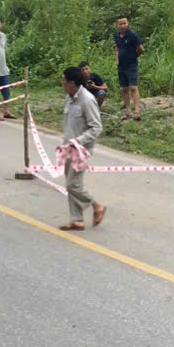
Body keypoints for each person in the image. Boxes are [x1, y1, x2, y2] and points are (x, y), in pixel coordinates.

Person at [57, 66, 105, 232]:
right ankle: (76, 220)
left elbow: (96, 127)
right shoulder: (69, 98)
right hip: (68, 147)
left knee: (72, 184)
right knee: (72, 182)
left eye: (63, 79)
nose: (61, 82)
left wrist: (78, 141)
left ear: (71, 83)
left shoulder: (87, 100)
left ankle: (97, 206)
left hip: (81, 149)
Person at [113, 16, 143, 120]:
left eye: (124, 23)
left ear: (128, 23)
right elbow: (117, 47)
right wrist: (117, 59)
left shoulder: (132, 35)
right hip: (121, 66)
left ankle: (137, 111)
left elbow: (140, 49)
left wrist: (133, 57)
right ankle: (127, 111)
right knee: (124, 89)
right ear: (117, 25)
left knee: (133, 88)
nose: (123, 26)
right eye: (120, 24)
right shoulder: (116, 35)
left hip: (131, 65)